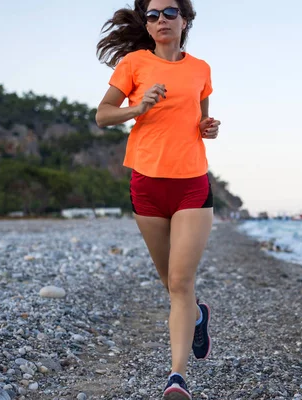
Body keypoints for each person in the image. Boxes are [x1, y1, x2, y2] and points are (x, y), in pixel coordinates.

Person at [95, 1, 220, 398]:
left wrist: (208, 127)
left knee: (181, 281)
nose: (161, 20)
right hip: (147, 185)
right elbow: (102, 115)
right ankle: (198, 315)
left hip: (191, 184)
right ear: (146, 26)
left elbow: (200, 124)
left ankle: (177, 378)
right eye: (152, 15)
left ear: (185, 20)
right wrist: (139, 105)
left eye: (169, 12)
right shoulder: (134, 64)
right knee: (171, 283)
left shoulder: (201, 69)